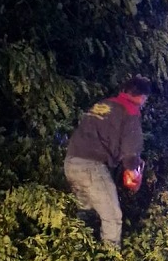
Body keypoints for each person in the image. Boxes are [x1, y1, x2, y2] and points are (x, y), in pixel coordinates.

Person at [64, 75, 151, 249]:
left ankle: (77, 252)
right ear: (142, 97)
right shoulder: (130, 110)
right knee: (112, 216)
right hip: (92, 167)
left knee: (85, 212)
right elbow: (131, 148)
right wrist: (133, 171)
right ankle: (110, 257)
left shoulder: (103, 104)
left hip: (71, 162)